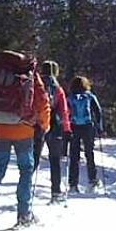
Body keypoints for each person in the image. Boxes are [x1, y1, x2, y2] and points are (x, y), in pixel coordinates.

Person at [0, 50, 51, 227]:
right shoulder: (30, 74)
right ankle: (24, 214)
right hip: (23, 129)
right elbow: (42, 101)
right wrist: (44, 124)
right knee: (25, 169)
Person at [33, 60, 72, 204]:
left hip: (37, 125)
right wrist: (67, 129)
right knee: (54, 160)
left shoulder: (35, 85)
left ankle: (25, 188)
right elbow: (64, 111)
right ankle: (55, 192)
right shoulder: (58, 88)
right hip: (55, 126)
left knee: (34, 158)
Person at [67, 75, 103, 193]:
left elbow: (66, 112)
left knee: (74, 156)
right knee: (89, 153)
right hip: (88, 126)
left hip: (74, 126)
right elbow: (98, 112)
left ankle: (73, 184)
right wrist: (99, 127)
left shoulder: (70, 97)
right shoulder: (90, 96)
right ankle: (92, 181)